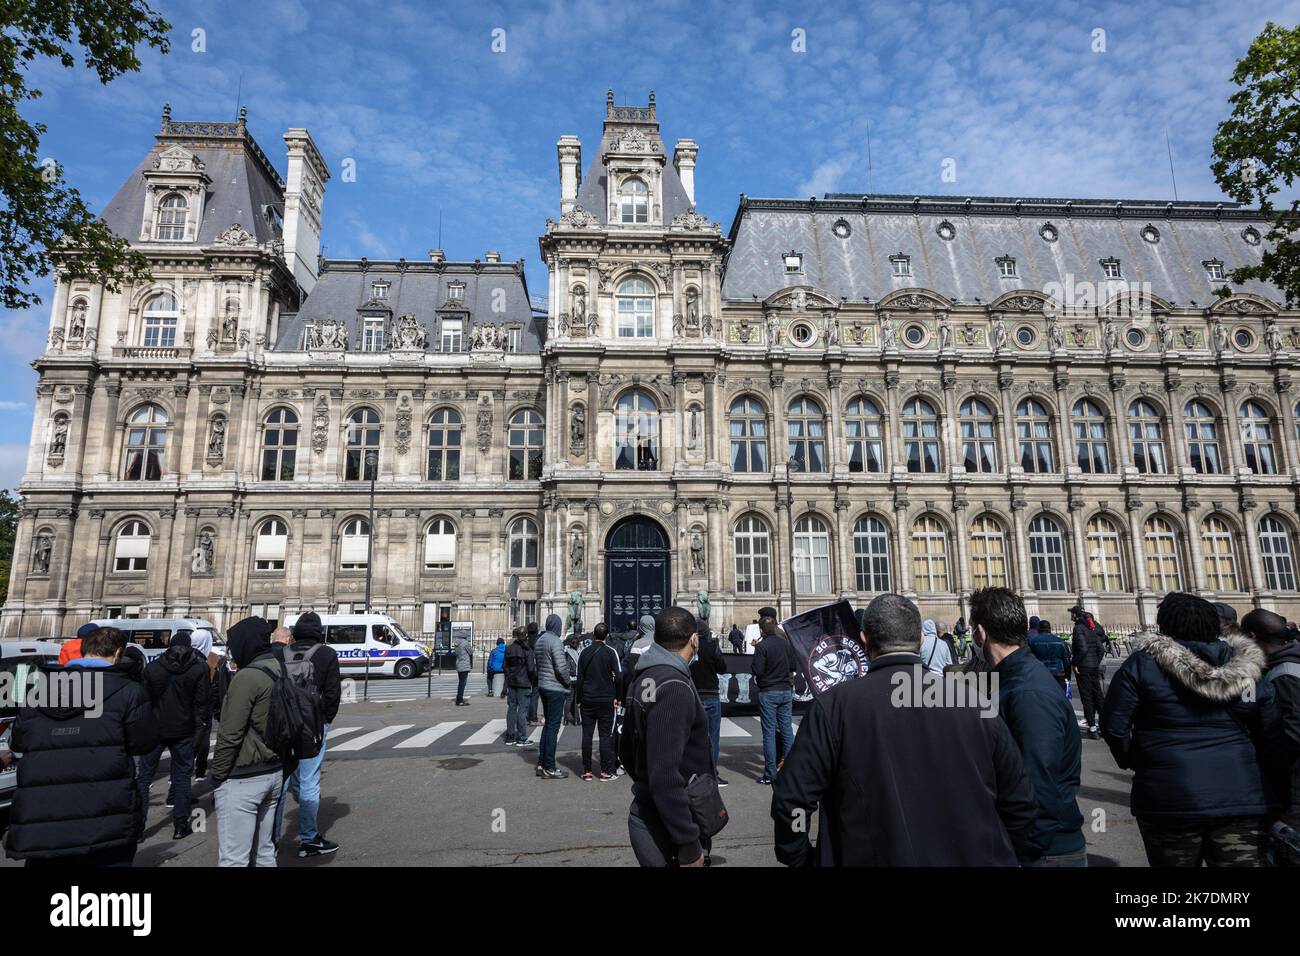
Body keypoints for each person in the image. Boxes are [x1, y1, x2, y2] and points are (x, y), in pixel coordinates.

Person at [772, 594, 1037, 866]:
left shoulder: (834, 707)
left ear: (864, 640)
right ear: (921, 639)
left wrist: (800, 855)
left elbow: (793, 802)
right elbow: (1020, 803)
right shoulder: (976, 701)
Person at [1101, 592, 1278, 867]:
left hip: (1168, 797)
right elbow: (1270, 731)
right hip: (1239, 794)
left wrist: (1141, 760)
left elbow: (1114, 726)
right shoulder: (1245, 667)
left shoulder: (1142, 664)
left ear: (1165, 626)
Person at [3, 627, 159, 866]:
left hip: (44, 817)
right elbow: (143, 743)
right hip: (105, 814)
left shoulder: (39, 691)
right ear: (118, 654)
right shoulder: (129, 692)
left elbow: (19, 742)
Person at [970, 588, 1087, 865]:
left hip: (1044, 851)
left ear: (980, 633)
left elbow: (1037, 784)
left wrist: (1020, 850)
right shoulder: (1013, 678)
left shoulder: (1028, 693)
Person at [621, 607, 716, 867]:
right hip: (668, 823)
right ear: (694, 639)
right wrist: (687, 844)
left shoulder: (644, 676)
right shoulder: (673, 686)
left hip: (655, 812)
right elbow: (664, 776)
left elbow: (625, 750)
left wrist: (644, 781)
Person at [211, 617, 287, 867]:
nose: (230, 651)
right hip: (274, 771)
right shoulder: (280, 668)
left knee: (235, 859)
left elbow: (229, 734)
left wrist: (218, 776)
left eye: (233, 645)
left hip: (245, 775)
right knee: (265, 853)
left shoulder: (247, 677)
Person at [272, 611, 342, 858]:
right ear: (318, 633)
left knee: (280, 782)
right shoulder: (326, 654)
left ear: (295, 633)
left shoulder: (278, 653)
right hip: (312, 726)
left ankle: (271, 841)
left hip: (283, 724)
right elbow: (333, 693)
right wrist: (324, 719)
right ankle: (309, 839)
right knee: (310, 779)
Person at [138, 631, 211, 840]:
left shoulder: (153, 668)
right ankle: (180, 825)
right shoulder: (198, 669)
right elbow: (202, 702)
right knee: (181, 778)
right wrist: (201, 724)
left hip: (156, 729)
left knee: (143, 778)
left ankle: (138, 828)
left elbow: (145, 701)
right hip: (183, 729)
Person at [1241, 609, 1300, 827]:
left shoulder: (1286, 672)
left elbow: (1293, 733)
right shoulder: (1282, 665)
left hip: (1293, 781)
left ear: (1252, 637)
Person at [752, 615, 797, 785]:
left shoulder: (762, 647)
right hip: (785, 690)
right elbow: (793, 667)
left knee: (769, 733)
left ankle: (770, 773)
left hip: (769, 691)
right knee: (786, 730)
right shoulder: (786, 645)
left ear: (761, 630)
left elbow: (758, 670)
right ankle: (791, 770)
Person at [575, 622, 623, 780]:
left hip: (587, 698)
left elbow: (580, 678)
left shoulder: (584, 653)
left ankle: (587, 770)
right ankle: (605, 771)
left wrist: (579, 699)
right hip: (606, 699)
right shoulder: (611, 652)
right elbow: (619, 676)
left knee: (586, 736)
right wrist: (618, 697)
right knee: (605, 736)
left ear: (594, 635)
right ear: (607, 636)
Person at [690, 616, 730, 786]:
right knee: (713, 737)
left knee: (693, 737)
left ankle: (694, 773)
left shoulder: (690, 647)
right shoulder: (712, 646)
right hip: (711, 694)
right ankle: (712, 773)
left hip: (694, 695)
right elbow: (722, 667)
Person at [534, 613, 571, 779]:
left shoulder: (540, 640)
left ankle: (542, 763)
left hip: (543, 685)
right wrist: (568, 682)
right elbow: (561, 667)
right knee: (553, 728)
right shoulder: (555, 641)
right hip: (555, 688)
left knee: (548, 725)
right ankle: (549, 766)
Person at [1070, 605, 1108, 738]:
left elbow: (1083, 649)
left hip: (1084, 666)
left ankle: (1092, 727)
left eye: (1072, 614)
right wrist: (1095, 662)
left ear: (1075, 615)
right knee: (1098, 696)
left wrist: (1075, 662)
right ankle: (1104, 725)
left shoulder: (1078, 628)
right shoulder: (1091, 627)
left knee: (1087, 697)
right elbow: (1101, 649)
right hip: (1093, 666)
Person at [190, 627, 219, 780]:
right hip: (202, 709)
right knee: (201, 741)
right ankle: (199, 770)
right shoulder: (211, 659)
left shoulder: (181, 658)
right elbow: (212, 686)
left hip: (185, 709)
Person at [504, 626, 536, 747]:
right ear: (526, 635)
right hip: (524, 682)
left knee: (511, 709)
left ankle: (510, 736)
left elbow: (505, 666)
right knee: (522, 710)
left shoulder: (510, 649)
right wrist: (532, 681)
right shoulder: (528, 650)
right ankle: (522, 737)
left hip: (512, 682)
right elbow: (531, 669)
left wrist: (509, 676)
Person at [1029, 618, 1072, 692]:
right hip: (1058, 673)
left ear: (1038, 629)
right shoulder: (1060, 642)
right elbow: (1066, 660)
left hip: (1041, 673)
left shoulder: (1033, 642)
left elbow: (1029, 659)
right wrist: (1067, 676)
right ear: (1049, 629)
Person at [451, 630, 473, 706]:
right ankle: (459, 700)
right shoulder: (465, 643)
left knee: (461, 683)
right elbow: (471, 652)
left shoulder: (456, 643)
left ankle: (459, 699)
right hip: (464, 665)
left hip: (459, 664)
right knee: (462, 683)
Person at [525, 621, 541, 725]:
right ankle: (533, 716)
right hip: (536, 670)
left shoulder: (525, 642)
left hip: (526, 670)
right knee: (535, 695)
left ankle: (527, 715)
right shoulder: (538, 641)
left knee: (527, 694)